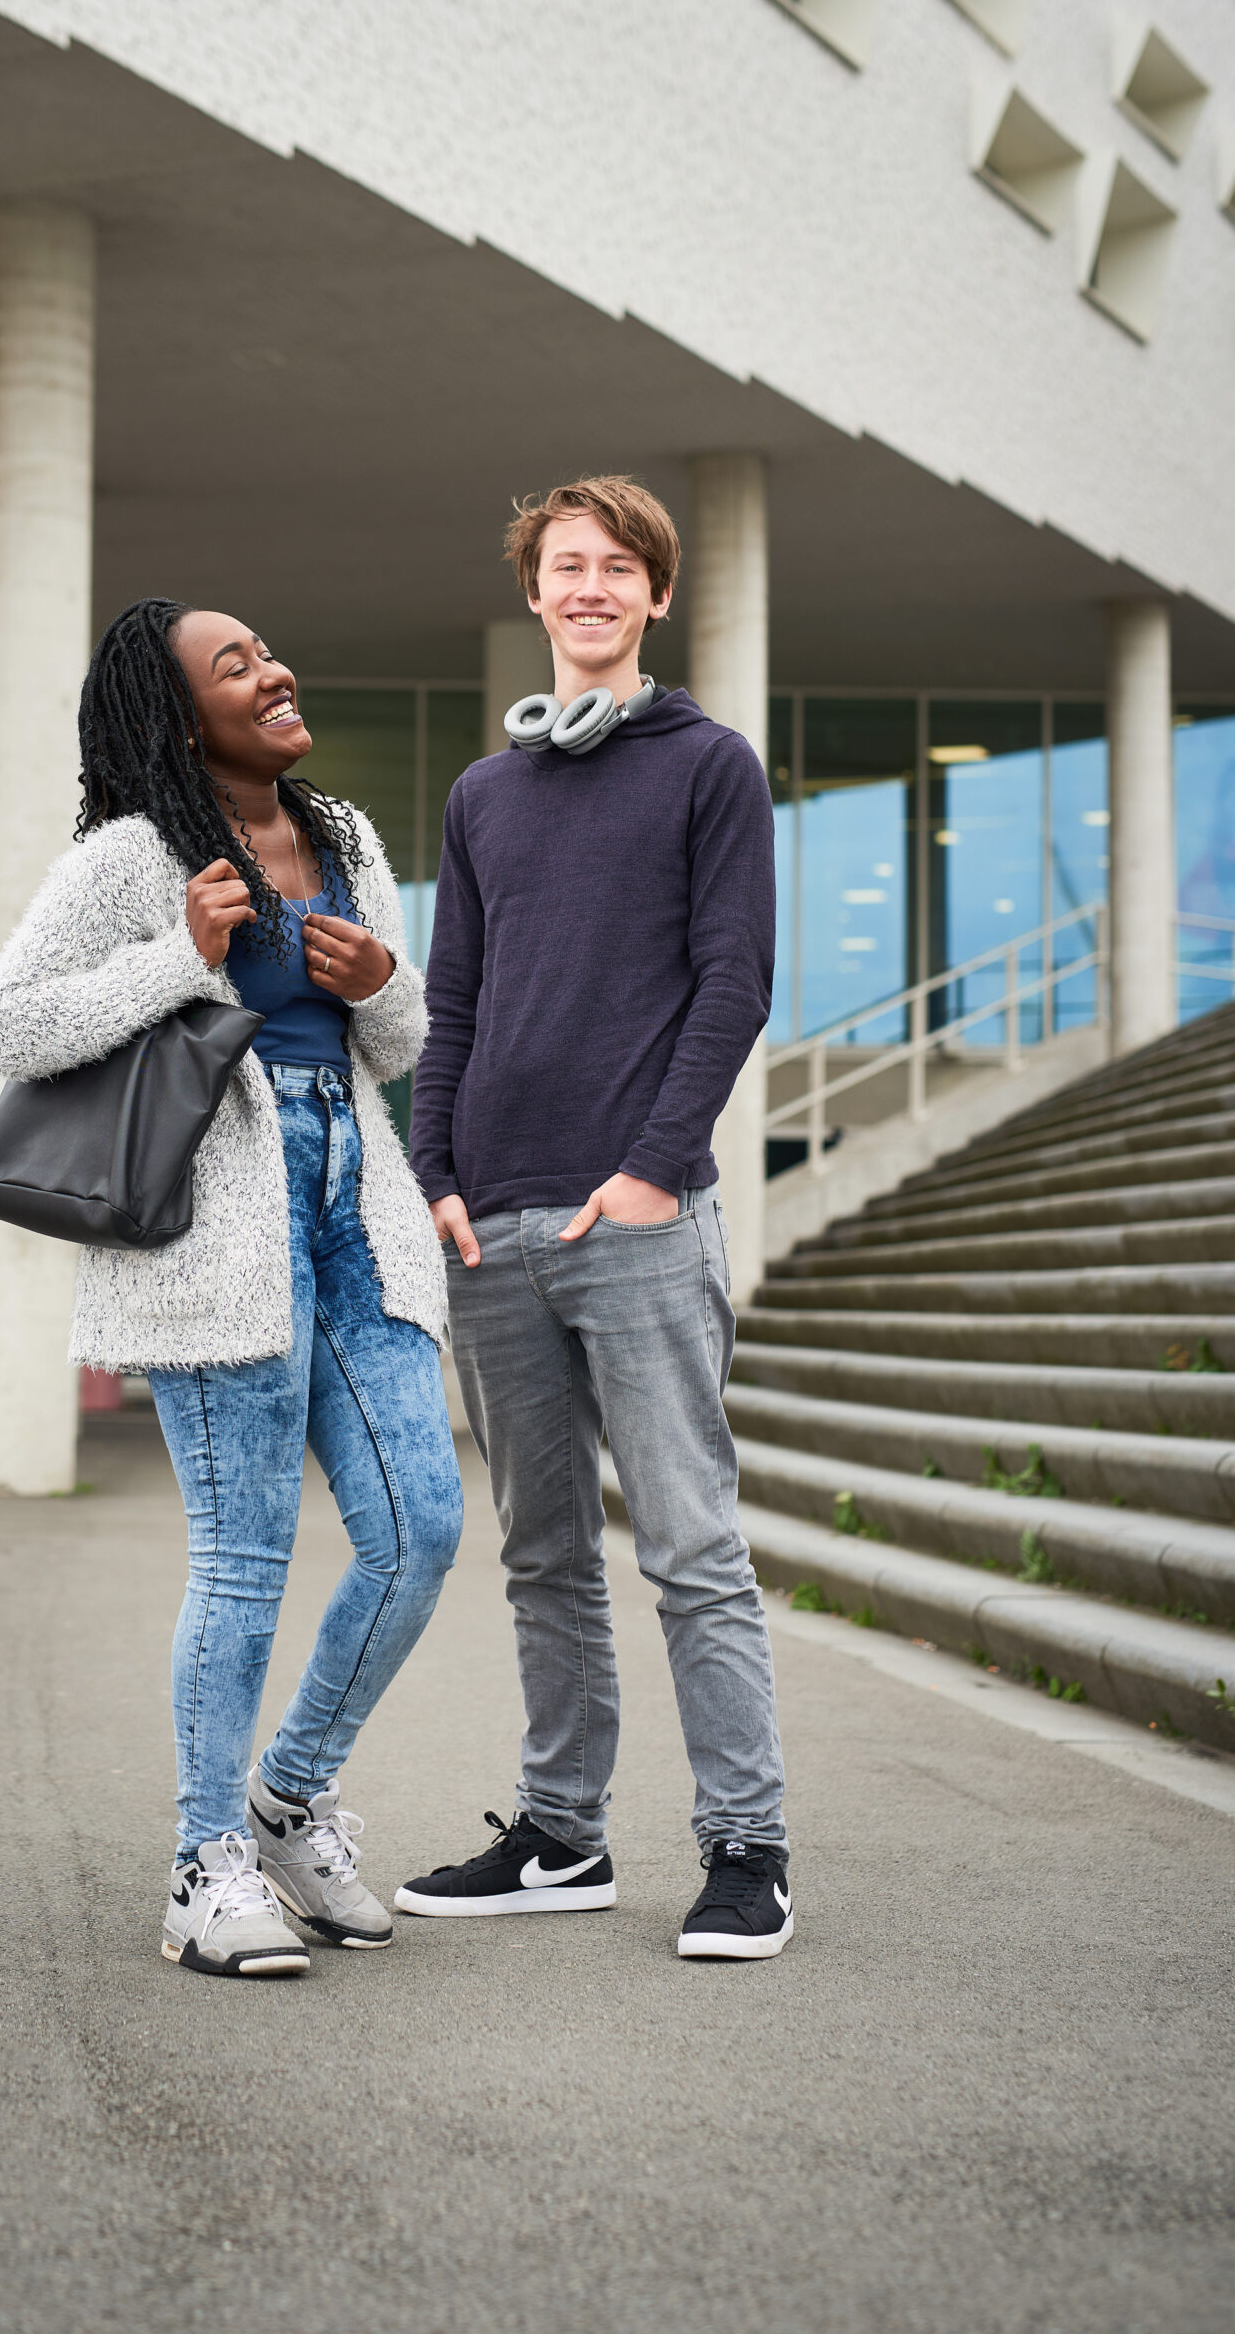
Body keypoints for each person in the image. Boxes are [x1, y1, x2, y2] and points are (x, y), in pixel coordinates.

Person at [0, 598, 463, 1980]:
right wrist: (173, 956)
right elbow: (14, 1024)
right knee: (243, 1561)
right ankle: (205, 1864)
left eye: (267, 650)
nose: (273, 670)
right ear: (179, 716)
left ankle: (288, 1800)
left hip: (352, 1207)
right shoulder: (131, 856)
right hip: (219, 1224)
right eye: (234, 664)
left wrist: (380, 976)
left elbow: (401, 1039)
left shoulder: (350, 838)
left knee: (420, 1525)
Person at [395, 476, 793, 1960]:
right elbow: (456, 1002)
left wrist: (647, 1165)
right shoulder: (484, 795)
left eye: (617, 567)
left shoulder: (709, 765)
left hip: (636, 1218)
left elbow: (732, 982)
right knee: (542, 1553)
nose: (589, 587)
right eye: (566, 566)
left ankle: (746, 1850)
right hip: (490, 1224)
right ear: (534, 592)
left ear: (655, 597)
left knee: (690, 1549)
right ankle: (561, 1835)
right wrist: (435, 1174)